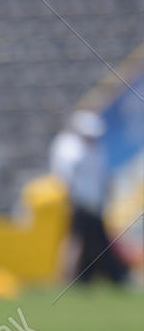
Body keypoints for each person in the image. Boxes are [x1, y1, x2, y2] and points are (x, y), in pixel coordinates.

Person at [49, 110, 129, 286]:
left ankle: (89, 275)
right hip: (79, 203)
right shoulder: (69, 147)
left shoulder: (96, 150)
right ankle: (67, 276)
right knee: (76, 239)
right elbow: (65, 177)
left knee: (93, 240)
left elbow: (102, 177)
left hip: (94, 204)